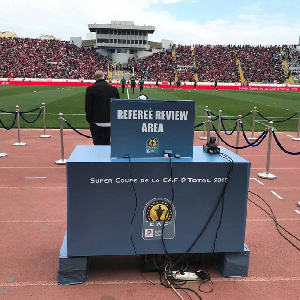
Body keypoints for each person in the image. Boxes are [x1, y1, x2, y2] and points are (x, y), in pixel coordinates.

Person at [85, 70, 120, 145]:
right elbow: (118, 106)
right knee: (108, 145)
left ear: (95, 78)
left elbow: (88, 107)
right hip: (111, 121)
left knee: (98, 145)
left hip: (96, 122)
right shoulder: (113, 89)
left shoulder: (90, 89)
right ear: (104, 77)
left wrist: (90, 120)